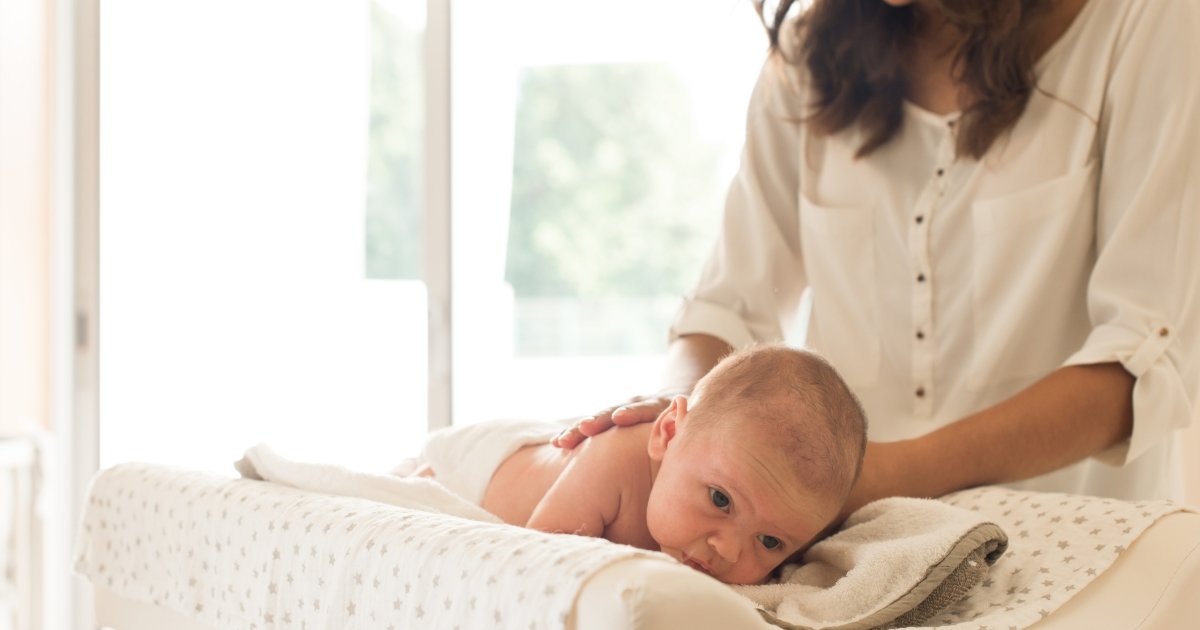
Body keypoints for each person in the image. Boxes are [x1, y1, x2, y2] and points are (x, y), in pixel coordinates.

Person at [554, 0, 1200, 516]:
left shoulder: (1148, 23)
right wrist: (678, 418)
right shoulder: (808, 56)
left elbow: (1144, 360)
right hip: (848, 555)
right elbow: (728, 308)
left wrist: (870, 478)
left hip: (1078, 552)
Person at [409, 344, 867, 584]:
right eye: (720, 499)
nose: (729, 551)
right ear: (668, 433)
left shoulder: (757, 501)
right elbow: (535, 568)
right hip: (488, 461)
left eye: (769, 541)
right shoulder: (614, 465)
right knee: (416, 476)